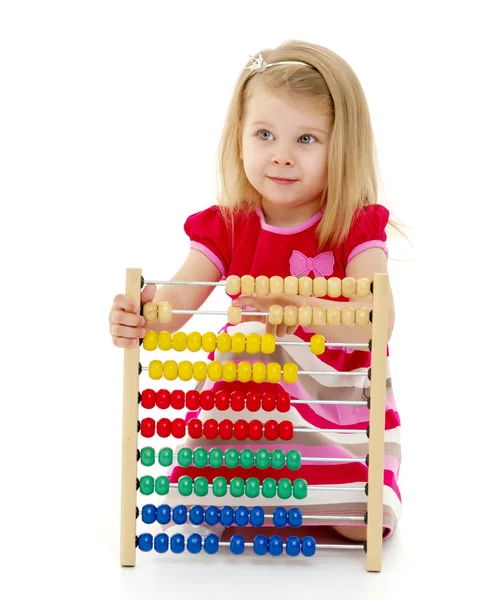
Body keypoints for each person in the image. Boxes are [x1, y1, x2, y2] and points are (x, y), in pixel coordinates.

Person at [109, 40, 405, 545]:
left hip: (331, 391)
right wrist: (142, 313)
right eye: (264, 134)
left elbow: (377, 318)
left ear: (342, 145)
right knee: (246, 358)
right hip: (251, 393)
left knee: (359, 522)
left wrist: (301, 306)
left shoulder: (353, 226)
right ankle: (250, 490)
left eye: (307, 139)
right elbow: (177, 305)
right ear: (239, 139)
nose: (282, 156)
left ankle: (329, 487)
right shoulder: (228, 226)